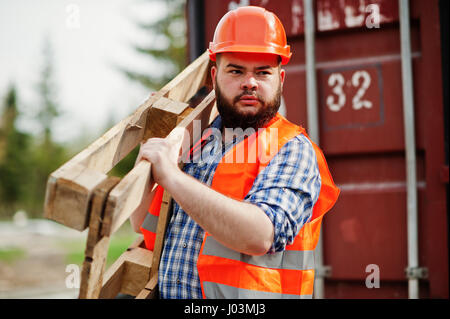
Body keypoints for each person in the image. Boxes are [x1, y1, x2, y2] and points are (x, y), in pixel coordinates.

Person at [130, 6, 339, 299]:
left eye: (262, 72)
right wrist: (148, 153)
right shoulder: (196, 142)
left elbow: (260, 235)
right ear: (215, 76)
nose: (249, 82)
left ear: (280, 79)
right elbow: (142, 225)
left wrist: (172, 177)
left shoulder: (292, 150)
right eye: (236, 70)